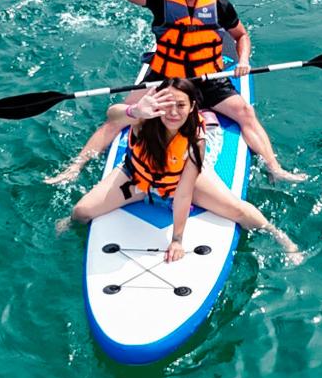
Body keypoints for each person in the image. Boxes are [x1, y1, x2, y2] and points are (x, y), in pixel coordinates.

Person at [45, 0, 306, 185]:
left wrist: (243, 60)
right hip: (165, 77)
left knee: (245, 113)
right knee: (120, 116)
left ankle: (275, 168)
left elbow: (241, 36)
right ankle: (75, 167)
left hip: (208, 78)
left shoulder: (220, 5)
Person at [56, 79, 301, 264]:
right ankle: (68, 222)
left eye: (180, 105)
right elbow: (112, 115)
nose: (173, 112)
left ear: (192, 106)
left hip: (182, 182)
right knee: (81, 211)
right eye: (168, 105)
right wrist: (134, 111)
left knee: (239, 211)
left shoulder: (196, 139)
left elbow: (183, 194)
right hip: (137, 179)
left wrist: (177, 239)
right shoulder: (144, 119)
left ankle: (280, 237)